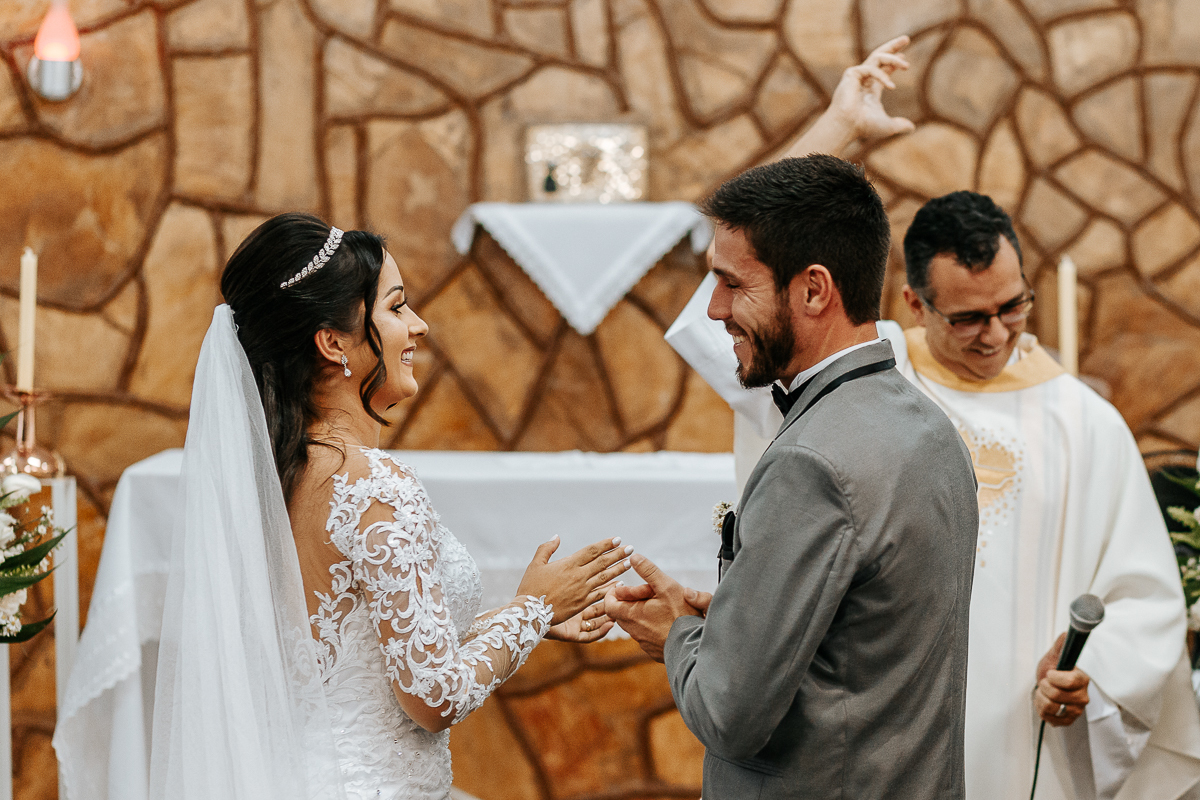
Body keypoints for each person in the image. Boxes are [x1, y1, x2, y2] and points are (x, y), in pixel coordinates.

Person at [147, 214, 633, 800]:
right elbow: (432, 696)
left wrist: (524, 620)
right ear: (333, 343)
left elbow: (367, 655)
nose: (419, 325)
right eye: (397, 307)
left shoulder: (275, 475)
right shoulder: (374, 486)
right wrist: (533, 608)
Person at [603, 154, 981, 798]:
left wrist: (679, 636)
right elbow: (865, 646)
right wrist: (734, 621)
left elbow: (729, 713)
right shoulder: (931, 427)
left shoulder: (811, 463)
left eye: (733, 284)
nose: (716, 309)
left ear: (813, 290)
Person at [895, 192, 1200, 800]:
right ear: (914, 303)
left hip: (1033, 740)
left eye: (1012, 307)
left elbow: (1145, 596)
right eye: (968, 318)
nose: (996, 334)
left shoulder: (1085, 423)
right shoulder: (878, 390)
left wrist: (1090, 671)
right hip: (896, 727)